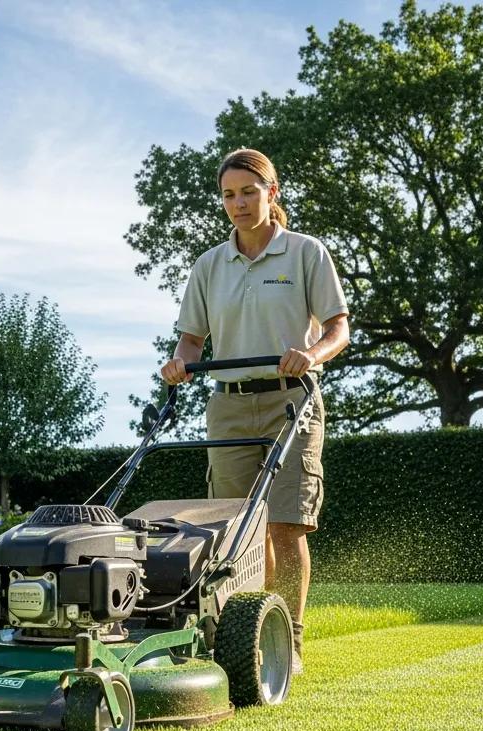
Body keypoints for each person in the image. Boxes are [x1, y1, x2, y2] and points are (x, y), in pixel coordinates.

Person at [160, 148, 349, 673]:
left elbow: (339, 328)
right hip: (228, 406)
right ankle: (243, 641)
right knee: (239, 532)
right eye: (228, 195)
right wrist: (178, 364)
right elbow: (192, 341)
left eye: (248, 191)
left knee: (286, 525)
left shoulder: (305, 252)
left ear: (272, 192)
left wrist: (310, 354)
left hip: (293, 400)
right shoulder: (209, 265)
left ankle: (289, 646)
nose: (238, 203)